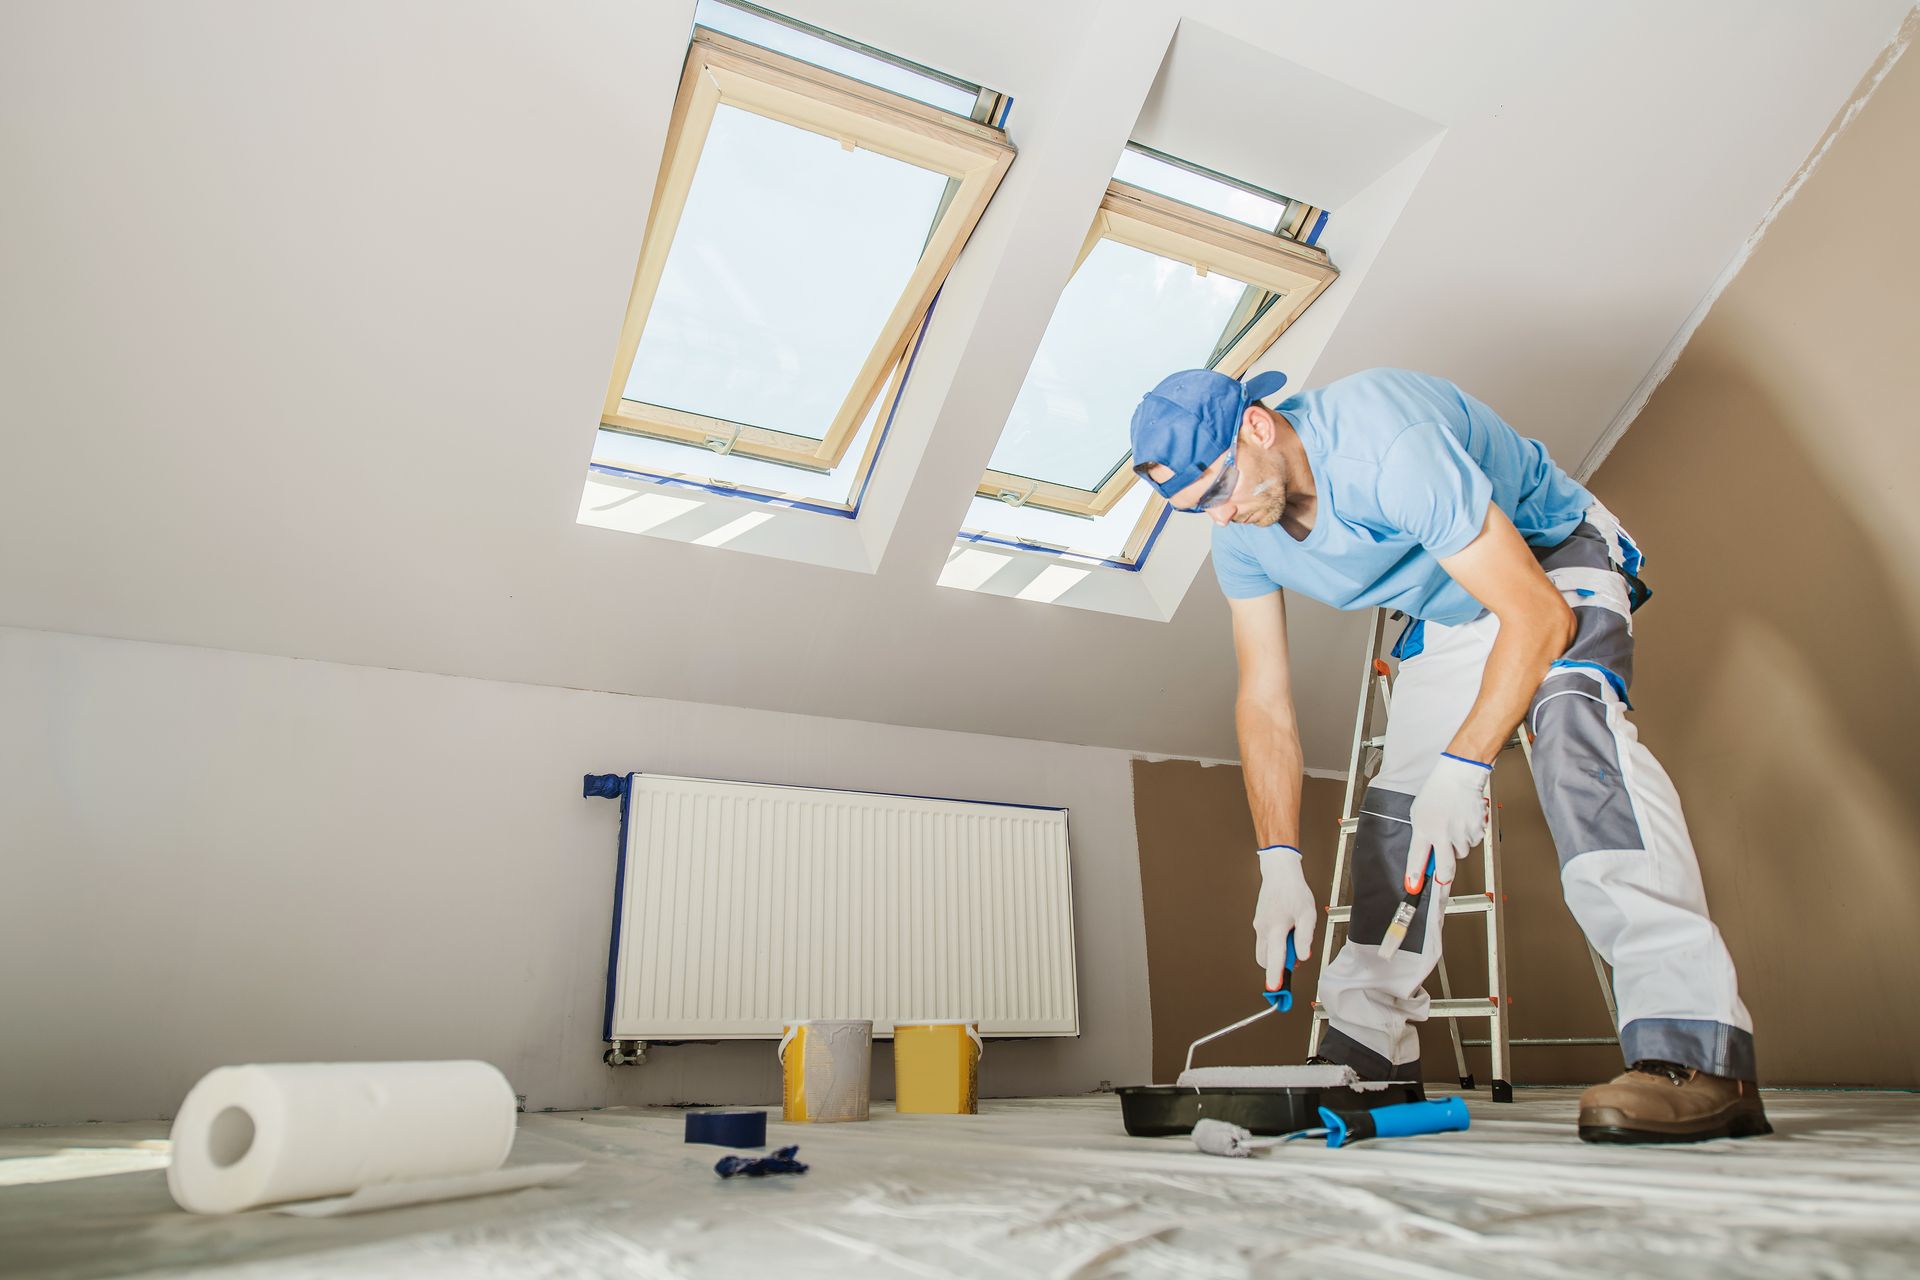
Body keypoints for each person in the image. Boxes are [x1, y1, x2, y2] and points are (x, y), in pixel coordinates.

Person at [1129, 366, 1768, 1144]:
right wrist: (1278, 863)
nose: (1221, 515)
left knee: (1575, 733)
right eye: (1196, 508)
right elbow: (1264, 699)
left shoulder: (1385, 444)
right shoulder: (1240, 535)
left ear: (1256, 426)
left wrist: (1465, 767)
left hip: (1547, 558)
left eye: (1219, 489)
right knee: (1394, 813)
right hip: (1452, 603)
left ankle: (1697, 1048)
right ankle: (1369, 1049)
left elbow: (1536, 616)